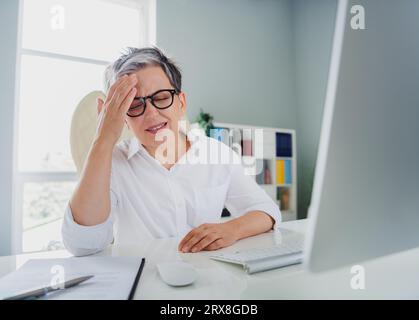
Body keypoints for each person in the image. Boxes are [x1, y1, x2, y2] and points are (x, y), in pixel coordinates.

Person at [61, 47, 282, 256]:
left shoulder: (216, 153)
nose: (151, 114)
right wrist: (103, 138)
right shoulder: (112, 163)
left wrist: (232, 229)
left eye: (161, 98)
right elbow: (82, 245)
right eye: (135, 105)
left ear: (181, 103)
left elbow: (266, 211)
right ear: (123, 118)